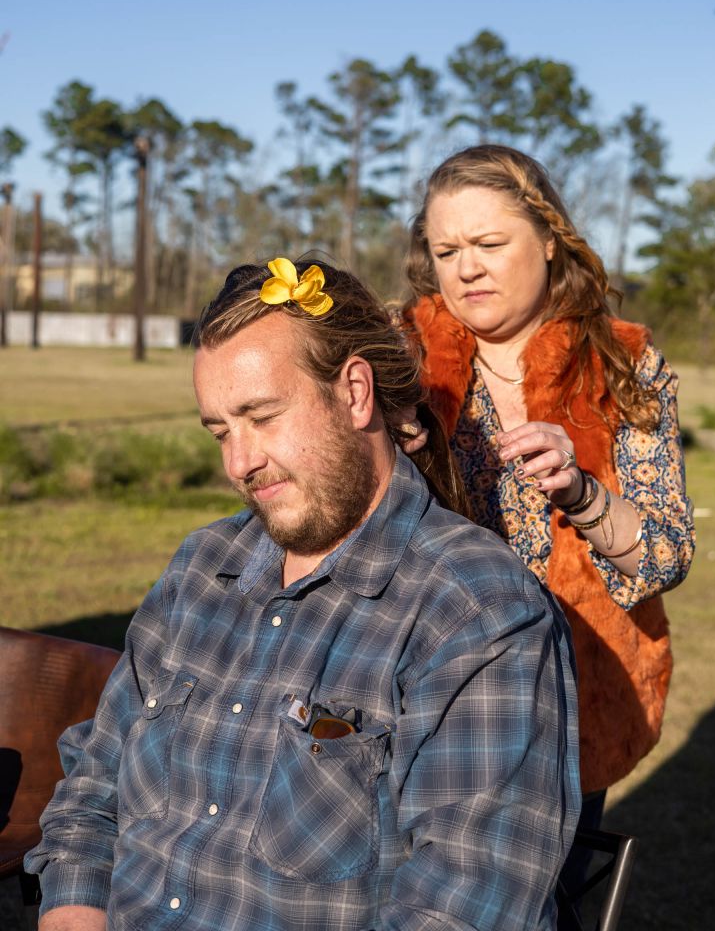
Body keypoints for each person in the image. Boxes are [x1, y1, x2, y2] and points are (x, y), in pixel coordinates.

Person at [27, 256, 580, 931]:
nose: (240, 462)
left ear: (353, 392)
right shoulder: (202, 569)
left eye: (262, 415)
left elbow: (464, 906)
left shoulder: (477, 612)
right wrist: (74, 912)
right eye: (221, 431)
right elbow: (92, 793)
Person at [402, 144, 695, 830]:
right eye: (446, 251)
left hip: (571, 703)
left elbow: (666, 556)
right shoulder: (399, 361)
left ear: (550, 242)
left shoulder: (625, 365)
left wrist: (582, 494)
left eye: (489, 243)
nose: (466, 267)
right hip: (420, 692)